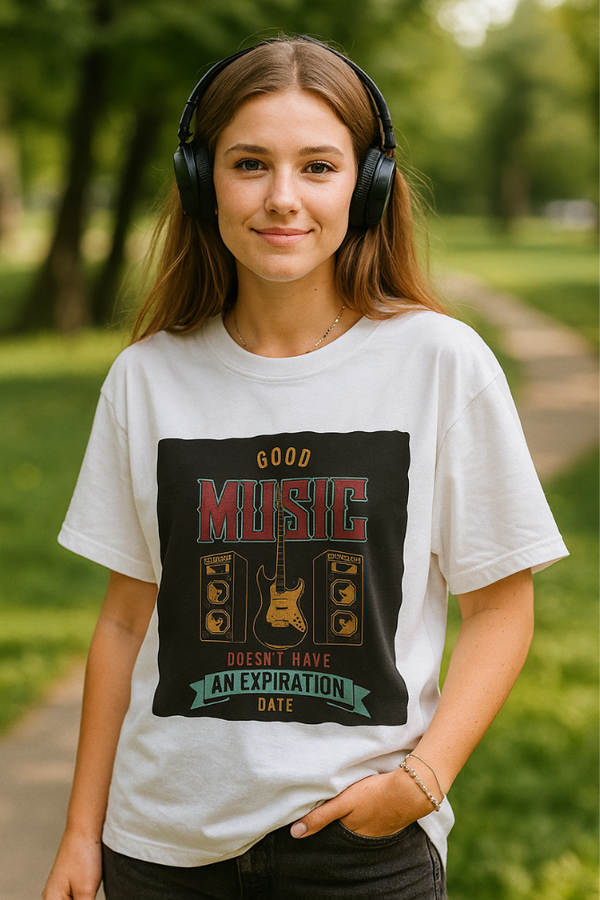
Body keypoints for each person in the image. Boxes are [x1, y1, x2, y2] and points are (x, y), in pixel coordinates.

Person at [43, 35, 567, 900]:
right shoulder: (147, 377)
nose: (282, 199)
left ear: (367, 186)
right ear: (200, 178)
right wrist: (78, 831)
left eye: (318, 167)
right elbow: (124, 623)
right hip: (162, 848)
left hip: (363, 848)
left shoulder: (441, 363)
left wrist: (418, 785)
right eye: (250, 163)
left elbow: (503, 609)